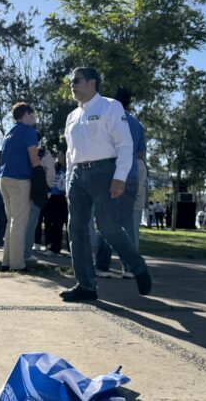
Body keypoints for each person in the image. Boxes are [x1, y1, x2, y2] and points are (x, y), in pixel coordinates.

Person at [60, 67, 152, 302]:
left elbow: (124, 144)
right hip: (78, 176)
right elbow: (71, 153)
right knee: (76, 229)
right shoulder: (72, 116)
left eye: (77, 80)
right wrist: (69, 182)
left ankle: (137, 266)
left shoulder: (111, 106)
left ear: (92, 83)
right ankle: (86, 286)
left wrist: (120, 176)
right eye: (72, 81)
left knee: (108, 227)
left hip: (105, 173)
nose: (73, 85)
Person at [95, 87, 145, 279]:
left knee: (106, 220)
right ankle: (130, 267)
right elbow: (140, 154)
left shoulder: (106, 120)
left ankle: (102, 266)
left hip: (111, 175)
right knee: (126, 223)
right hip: (130, 175)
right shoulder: (137, 124)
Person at [0, 102, 42, 271]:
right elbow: (33, 155)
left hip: (5, 179)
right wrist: (40, 173)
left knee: (12, 221)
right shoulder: (29, 132)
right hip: (20, 180)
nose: (33, 119)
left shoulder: (9, 132)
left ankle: (6, 261)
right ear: (25, 115)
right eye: (32, 116)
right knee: (19, 223)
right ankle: (17, 264)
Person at [24, 133, 55, 263]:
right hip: (36, 190)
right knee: (31, 222)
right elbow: (51, 172)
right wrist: (47, 188)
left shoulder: (21, 149)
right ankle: (26, 252)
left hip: (21, 187)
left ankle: (15, 250)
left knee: (19, 221)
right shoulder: (44, 153)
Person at [43, 150, 68, 255]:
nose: (59, 157)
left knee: (68, 224)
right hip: (55, 198)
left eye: (61, 155)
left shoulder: (69, 168)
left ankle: (71, 250)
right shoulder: (60, 168)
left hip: (64, 199)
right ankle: (55, 248)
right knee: (55, 225)